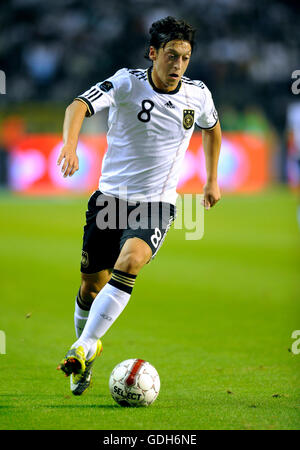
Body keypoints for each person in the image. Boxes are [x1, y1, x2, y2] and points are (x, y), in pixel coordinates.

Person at [56, 16, 222, 395]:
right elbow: (77, 106)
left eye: (184, 57)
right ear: (153, 53)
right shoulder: (127, 82)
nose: (178, 64)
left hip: (156, 204)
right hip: (109, 201)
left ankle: (81, 347)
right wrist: (70, 145)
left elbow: (212, 130)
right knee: (89, 288)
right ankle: (84, 358)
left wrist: (212, 178)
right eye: (170, 55)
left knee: (130, 262)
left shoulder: (197, 95)